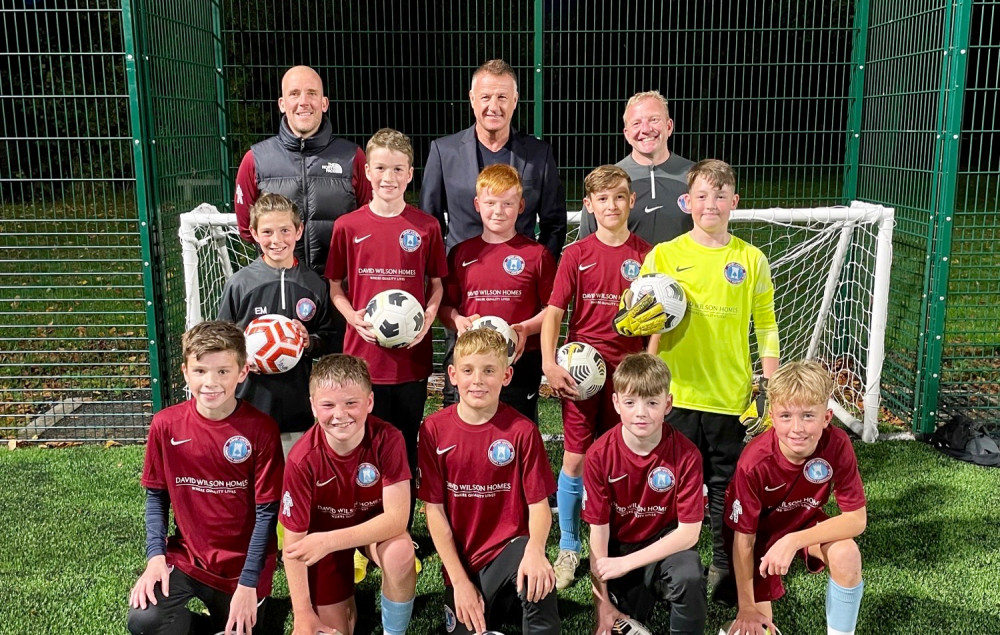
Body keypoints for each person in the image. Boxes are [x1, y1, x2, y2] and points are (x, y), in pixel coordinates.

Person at [637, 158, 780, 599]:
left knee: (723, 487)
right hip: (676, 394)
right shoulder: (664, 255)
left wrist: (770, 390)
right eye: (702, 196)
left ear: (734, 201)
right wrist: (651, 381)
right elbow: (645, 323)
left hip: (728, 396)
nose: (711, 204)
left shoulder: (751, 259)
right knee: (667, 482)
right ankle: (664, 564)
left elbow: (767, 326)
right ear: (688, 201)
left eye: (720, 196)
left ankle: (721, 564)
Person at [127, 321, 283, 635]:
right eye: (200, 371)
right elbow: (157, 497)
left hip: (242, 566)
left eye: (223, 372)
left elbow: (267, 513)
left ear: (243, 372)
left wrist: (249, 582)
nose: (211, 382)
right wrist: (156, 558)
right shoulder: (165, 425)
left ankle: (259, 609)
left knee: (246, 628)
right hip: (188, 558)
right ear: (186, 372)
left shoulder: (262, 429)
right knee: (144, 620)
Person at [541, 165, 652, 589]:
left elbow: (656, 322)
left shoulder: (645, 255)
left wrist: (649, 366)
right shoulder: (576, 254)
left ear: (631, 202)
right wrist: (550, 363)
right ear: (588, 205)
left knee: (625, 457)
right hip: (581, 376)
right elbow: (555, 312)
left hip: (628, 379)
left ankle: (620, 542)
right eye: (602, 199)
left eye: (619, 197)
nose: (612, 205)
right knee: (576, 458)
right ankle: (569, 546)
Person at [326, 127, 446, 502]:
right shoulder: (348, 226)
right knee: (361, 443)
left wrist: (427, 316)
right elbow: (335, 286)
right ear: (367, 173)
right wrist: (353, 317)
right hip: (363, 359)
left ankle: (401, 528)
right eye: (380, 169)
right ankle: (361, 521)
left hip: (409, 359)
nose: (388, 178)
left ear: (410, 174)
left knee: (404, 441)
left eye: (397, 169)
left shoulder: (425, 227)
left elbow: (437, 284)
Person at [418, 329, 559, 635]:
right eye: (468, 371)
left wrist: (536, 550)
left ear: (506, 376)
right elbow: (434, 511)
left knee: (539, 577)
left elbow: (539, 507)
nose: (478, 380)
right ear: (453, 375)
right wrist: (458, 581)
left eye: (489, 371)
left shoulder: (522, 431)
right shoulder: (433, 430)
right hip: (462, 563)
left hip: (510, 552)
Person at [234, 65, 373, 352]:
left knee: (338, 383)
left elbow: (368, 224)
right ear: (282, 104)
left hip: (341, 294)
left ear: (324, 102)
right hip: (278, 292)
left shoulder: (352, 157)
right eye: (294, 94)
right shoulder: (255, 160)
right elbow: (248, 229)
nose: (303, 101)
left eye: (312, 93)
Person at [723, 360, 866, 635]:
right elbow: (744, 541)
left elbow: (856, 519)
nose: (797, 428)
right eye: (786, 416)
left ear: (827, 418)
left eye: (808, 416)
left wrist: (793, 540)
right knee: (756, 626)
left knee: (847, 554)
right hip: (759, 536)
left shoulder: (837, 444)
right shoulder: (753, 463)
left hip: (803, 524)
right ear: (772, 417)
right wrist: (746, 606)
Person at [280, 354, 416, 635]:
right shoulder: (302, 458)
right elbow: (293, 549)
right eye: (328, 405)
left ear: (369, 402)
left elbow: (397, 520)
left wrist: (330, 541)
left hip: (365, 531)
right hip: (320, 539)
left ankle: (395, 633)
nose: (340, 415)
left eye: (351, 403)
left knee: (401, 554)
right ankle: (344, 600)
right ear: (313, 407)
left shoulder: (388, 439)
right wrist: (303, 615)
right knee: (335, 630)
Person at [584, 353, 706, 635]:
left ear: (668, 404)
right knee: (618, 621)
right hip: (619, 549)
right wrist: (600, 604)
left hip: (665, 546)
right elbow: (598, 534)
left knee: (689, 573)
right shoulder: (599, 455)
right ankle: (624, 597)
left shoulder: (687, 454)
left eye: (652, 402)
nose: (641, 412)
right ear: (616, 404)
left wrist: (627, 564)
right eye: (630, 402)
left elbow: (689, 534)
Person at [217, 192, 338, 456]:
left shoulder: (314, 285)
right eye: (268, 232)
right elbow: (221, 340)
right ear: (254, 233)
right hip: (249, 403)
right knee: (251, 483)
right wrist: (242, 358)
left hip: (297, 407)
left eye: (285, 230)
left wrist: (310, 341)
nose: (277, 240)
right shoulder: (240, 284)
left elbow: (331, 338)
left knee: (292, 481)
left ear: (299, 230)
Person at [438, 163, 556, 422]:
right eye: (491, 203)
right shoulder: (461, 254)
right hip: (473, 364)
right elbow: (445, 307)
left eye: (508, 204)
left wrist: (525, 328)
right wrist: (458, 320)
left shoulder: (537, 255)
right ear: (477, 204)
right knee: (471, 428)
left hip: (521, 361)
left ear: (521, 206)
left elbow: (553, 310)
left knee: (518, 428)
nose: (499, 212)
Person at [420, 58, 566, 261]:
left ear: (515, 100)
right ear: (472, 99)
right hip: (462, 279)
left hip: (519, 277)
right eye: (486, 97)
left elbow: (555, 223)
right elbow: (430, 222)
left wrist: (539, 268)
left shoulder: (539, 155)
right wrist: (441, 274)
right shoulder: (444, 152)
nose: (494, 106)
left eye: (502, 97)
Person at [578, 90, 694, 246]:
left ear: (669, 126)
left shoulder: (696, 176)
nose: (645, 129)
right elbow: (588, 246)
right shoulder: (608, 180)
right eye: (636, 123)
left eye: (654, 120)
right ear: (626, 133)